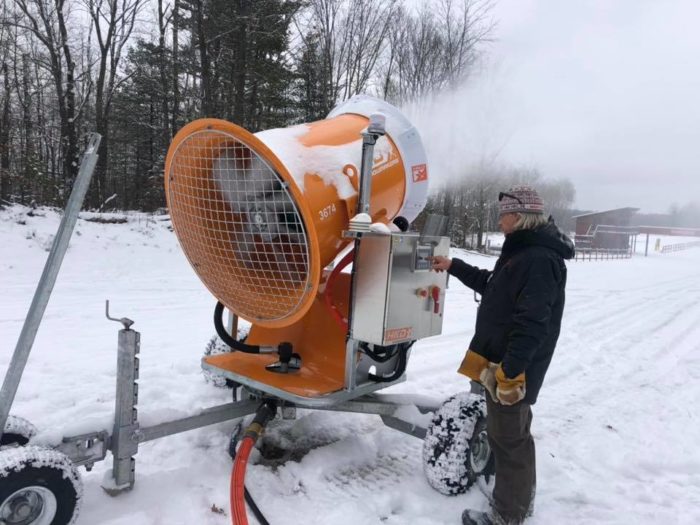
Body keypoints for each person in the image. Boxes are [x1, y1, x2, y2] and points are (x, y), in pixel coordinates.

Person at [431, 186, 574, 525]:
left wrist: (510, 372)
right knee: (511, 434)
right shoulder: (524, 252)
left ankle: (507, 516)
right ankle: (520, 502)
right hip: (503, 359)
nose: (500, 219)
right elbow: (493, 284)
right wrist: (453, 265)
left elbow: (533, 323)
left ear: (519, 216)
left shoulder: (538, 259)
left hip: (512, 365)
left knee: (509, 439)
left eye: (504, 214)